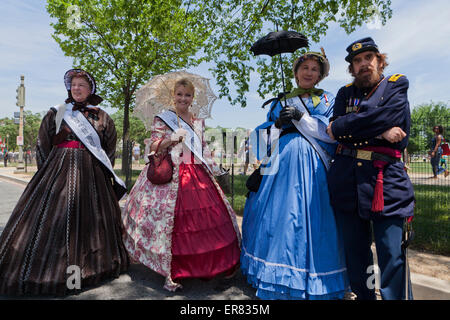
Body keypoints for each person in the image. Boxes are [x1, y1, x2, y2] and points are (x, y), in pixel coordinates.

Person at [0, 69, 129, 296]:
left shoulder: (103, 117)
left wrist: (101, 174)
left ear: (91, 90)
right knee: (55, 222)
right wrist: (47, 177)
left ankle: (87, 271)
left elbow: (109, 149)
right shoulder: (57, 113)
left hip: (92, 175)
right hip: (57, 172)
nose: (77, 88)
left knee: (91, 220)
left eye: (82, 85)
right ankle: (52, 273)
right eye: (74, 85)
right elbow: (42, 145)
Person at [240, 51, 349, 300]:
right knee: (278, 216)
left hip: (314, 164)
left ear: (320, 75)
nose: (309, 72)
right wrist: (278, 124)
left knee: (313, 215)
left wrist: (303, 118)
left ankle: (317, 277)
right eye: (305, 68)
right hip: (282, 162)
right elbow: (264, 138)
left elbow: (331, 134)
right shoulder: (280, 101)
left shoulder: (328, 100)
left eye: (314, 69)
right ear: (296, 72)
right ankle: (276, 276)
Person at [121, 78, 241, 291]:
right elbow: (154, 144)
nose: (183, 98)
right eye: (179, 94)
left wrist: (215, 168)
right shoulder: (163, 118)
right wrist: (171, 140)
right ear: (173, 96)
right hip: (171, 170)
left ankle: (211, 264)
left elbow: (202, 147)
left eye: (187, 95)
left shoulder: (197, 121)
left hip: (196, 169)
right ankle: (175, 269)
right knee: (173, 220)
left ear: (192, 98)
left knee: (207, 216)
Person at [326, 37, 415, 300]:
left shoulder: (397, 84)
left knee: (391, 254)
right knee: (357, 252)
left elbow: (346, 126)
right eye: (357, 61)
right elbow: (335, 132)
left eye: (369, 58)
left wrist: (349, 124)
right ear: (352, 68)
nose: (364, 64)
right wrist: (381, 130)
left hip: (386, 181)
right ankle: (365, 296)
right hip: (348, 180)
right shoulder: (344, 93)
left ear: (380, 61)